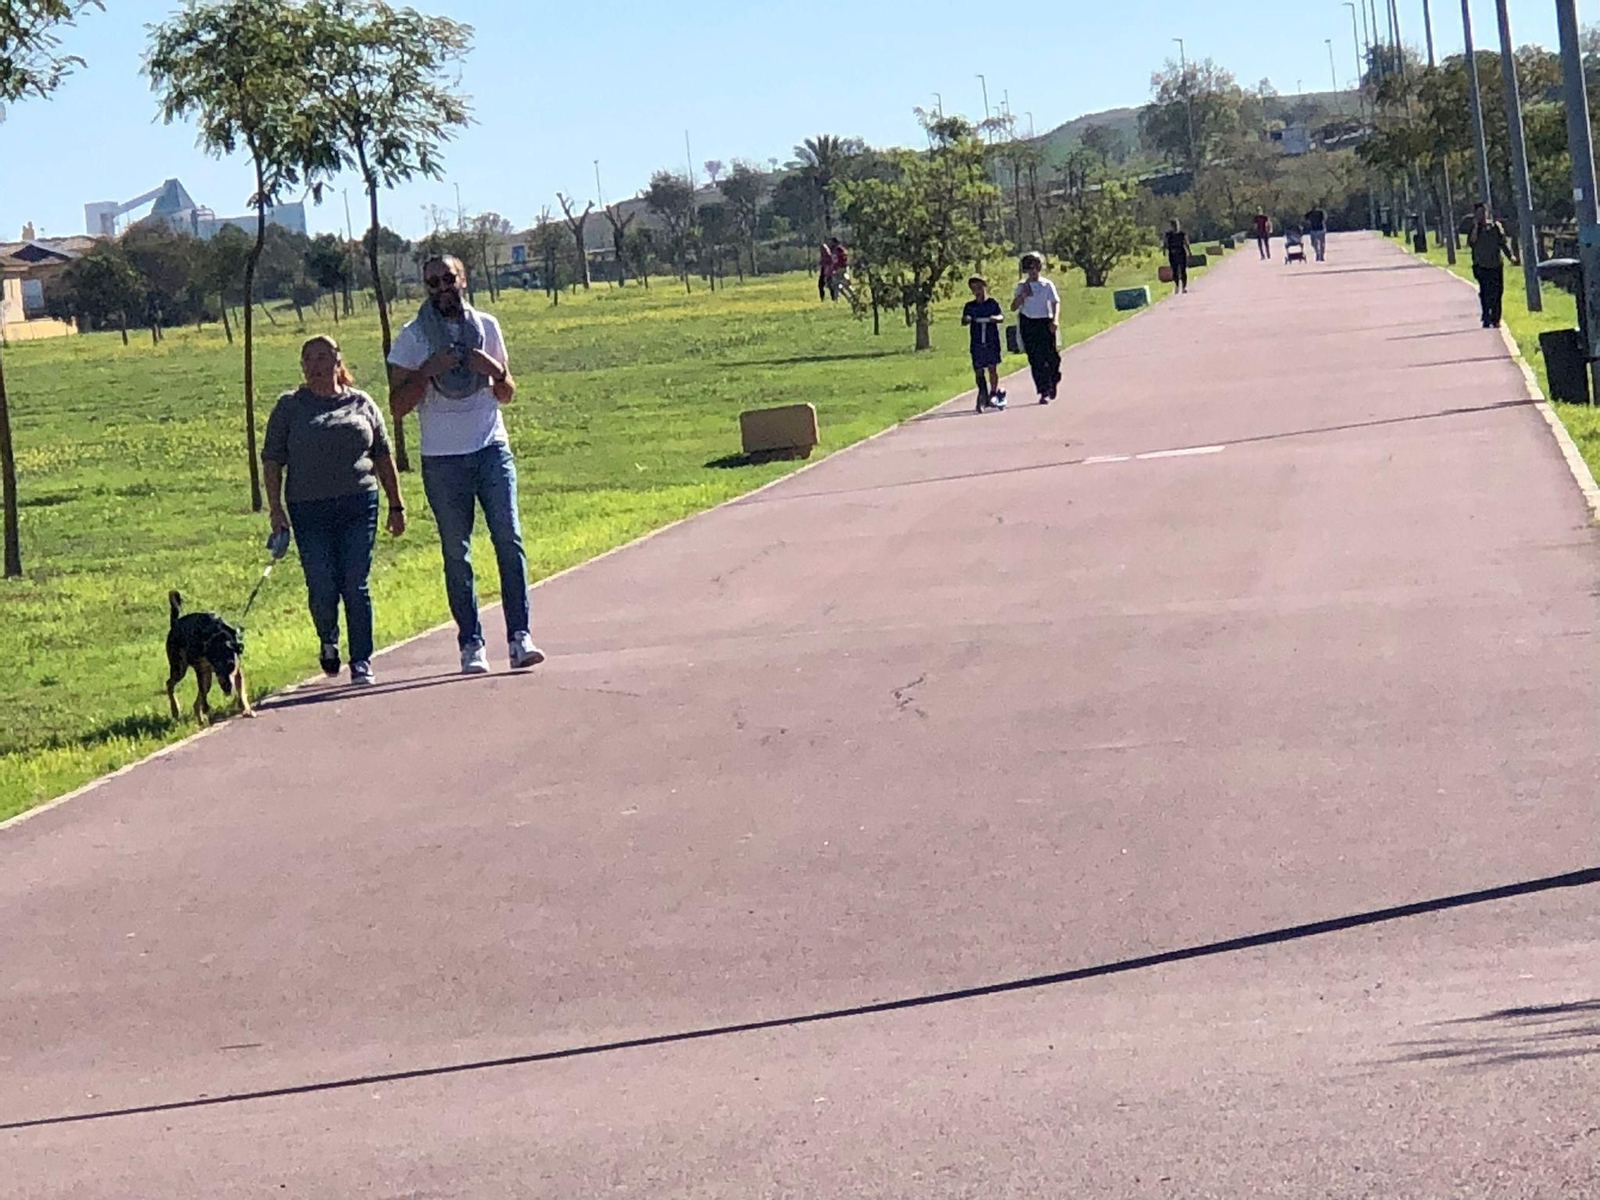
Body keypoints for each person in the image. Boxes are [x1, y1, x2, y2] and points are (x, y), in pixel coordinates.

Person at [388, 254, 545, 674]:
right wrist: (427, 370)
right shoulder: (412, 338)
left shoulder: (487, 327)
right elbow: (397, 406)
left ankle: (520, 636)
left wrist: (493, 369)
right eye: (433, 282)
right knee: (457, 553)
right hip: (442, 459)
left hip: (491, 448)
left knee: (508, 539)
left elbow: (506, 392)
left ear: (463, 280)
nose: (442, 288)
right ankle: (471, 643)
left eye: (448, 279)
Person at [263, 335, 406, 687]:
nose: (316, 365)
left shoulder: (361, 403)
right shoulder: (289, 407)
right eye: (309, 359)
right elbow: (272, 460)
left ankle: (361, 660)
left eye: (323, 357)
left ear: (338, 362)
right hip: (309, 509)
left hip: (358, 504)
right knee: (322, 584)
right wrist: (275, 510)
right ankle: (328, 639)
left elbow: (383, 455)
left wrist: (396, 504)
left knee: (355, 585)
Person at [1010, 253, 1061, 404]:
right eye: (1029, 268)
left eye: (1035, 267)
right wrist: (1023, 295)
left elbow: (1055, 302)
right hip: (1028, 323)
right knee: (1036, 359)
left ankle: (1053, 379)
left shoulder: (1047, 284)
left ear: (1039, 268)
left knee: (1052, 357)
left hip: (1045, 322)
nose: (1032, 271)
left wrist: (1055, 320)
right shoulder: (1022, 286)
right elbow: (1013, 307)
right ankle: (1043, 391)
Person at [962, 275, 1006, 412]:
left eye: (979, 287)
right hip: (977, 342)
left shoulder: (992, 303)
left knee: (992, 367)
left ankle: (993, 392)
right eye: (974, 288)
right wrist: (967, 319)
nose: (977, 291)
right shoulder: (970, 306)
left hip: (991, 340)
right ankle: (982, 393)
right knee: (979, 369)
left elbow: (1001, 316)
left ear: (984, 287)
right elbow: (964, 319)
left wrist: (995, 318)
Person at [1468, 202, 1513, 329]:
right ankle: (1486, 317)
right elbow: (1471, 243)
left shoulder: (1495, 227)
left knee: (1497, 292)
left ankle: (1496, 318)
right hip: (1481, 265)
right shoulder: (1474, 229)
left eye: (1483, 212)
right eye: (1478, 213)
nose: (1481, 216)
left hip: (1496, 264)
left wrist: (1511, 257)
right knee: (1485, 293)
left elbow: (1503, 244)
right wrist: (1476, 227)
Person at [1163, 219, 1191, 294]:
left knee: (1183, 270)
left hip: (1181, 252)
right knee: (1174, 271)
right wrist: (1164, 250)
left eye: (1176, 225)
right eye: (1173, 225)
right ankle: (1177, 285)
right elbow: (1165, 243)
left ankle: (1184, 287)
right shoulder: (1168, 235)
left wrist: (1189, 252)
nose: (1175, 227)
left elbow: (1186, 243)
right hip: (1172, 253)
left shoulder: (1182, 234)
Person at [828, 237, 854, 302]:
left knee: (844, 284)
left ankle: (854, 295)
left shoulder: (839, 248)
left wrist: (842, 265)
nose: (829, 243)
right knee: (838, 285)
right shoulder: (833, 249)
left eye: (831, 242)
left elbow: (844, 256)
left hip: (841, 269)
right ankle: (848, 298)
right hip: (837, 269)